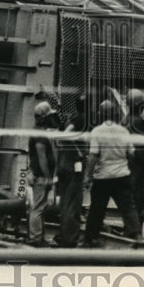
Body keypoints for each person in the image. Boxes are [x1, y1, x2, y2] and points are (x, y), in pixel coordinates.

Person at [82, 100, 141, 247]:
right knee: (128, 207)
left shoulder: (97, 132)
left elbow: (94, 155)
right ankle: (136, 235)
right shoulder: (124, 131)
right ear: (115, 114)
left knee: (97, 208)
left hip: (103, 176)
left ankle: (91, 238)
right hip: (122, 175)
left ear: (101, 115)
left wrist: (87, 175)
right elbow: (132, 154)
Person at [53, 95, 88, 247]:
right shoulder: (80, 120)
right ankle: (70, 238)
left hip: (63, 165)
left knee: (65, 203)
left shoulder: (72, 117)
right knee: (73, 203)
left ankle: (64, 234)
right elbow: (64, 137)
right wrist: (78, 153)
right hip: (74, 166)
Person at [27, 100, 59, 247]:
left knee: (41, 208)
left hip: (40, 175)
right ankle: (35, 239)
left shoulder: (39, 132)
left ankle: (39, 237)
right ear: (44, 118)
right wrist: (48, 178)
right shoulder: (40, 135)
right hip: (41, 177)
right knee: (38, 208)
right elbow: (42, 158)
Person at [124, 88, 144, 226]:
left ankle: (129, 229)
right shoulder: (138, 123)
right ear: (140, 106)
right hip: (137, 169)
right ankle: (135, 232)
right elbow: (142, 150)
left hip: (126, 167)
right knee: (140, 202)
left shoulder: (124, 120)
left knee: (129, 201)